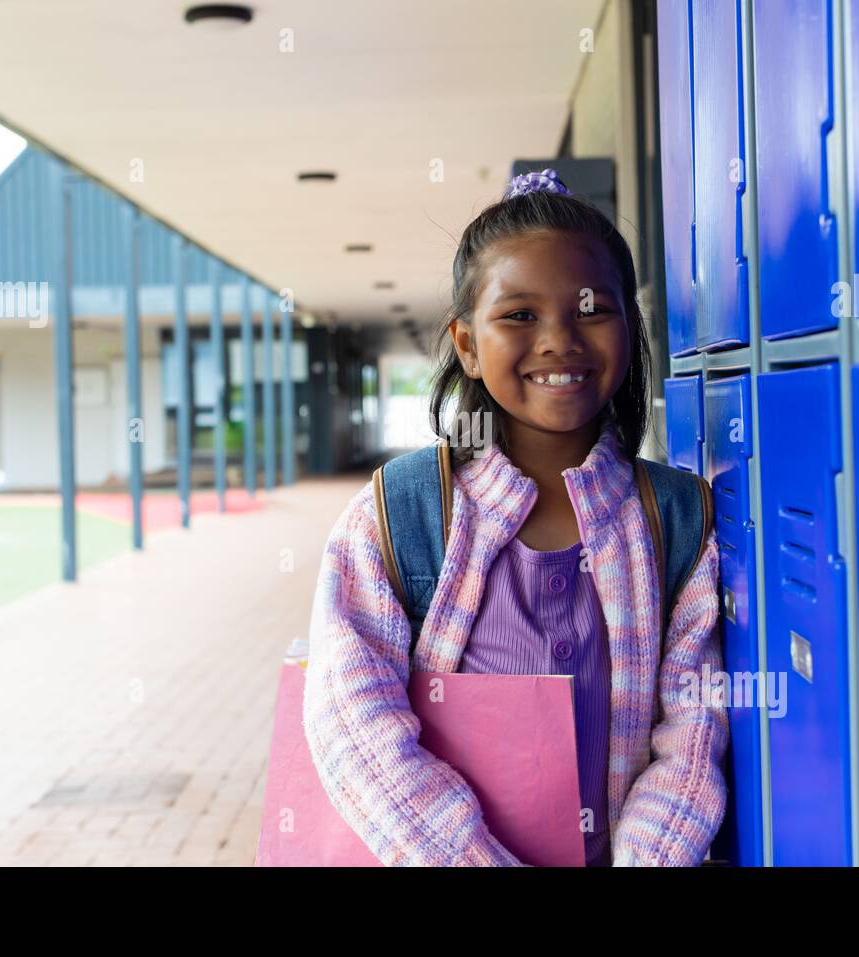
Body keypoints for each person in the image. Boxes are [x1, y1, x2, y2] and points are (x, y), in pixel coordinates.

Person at [302, 168, 728, 866]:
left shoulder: (676, 520)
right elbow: (352, 723)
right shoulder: (398, 517)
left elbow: (693, 731)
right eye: (520, 315)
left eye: (591, 308)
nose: (559, 339)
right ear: (467, 344)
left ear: (630, 325)